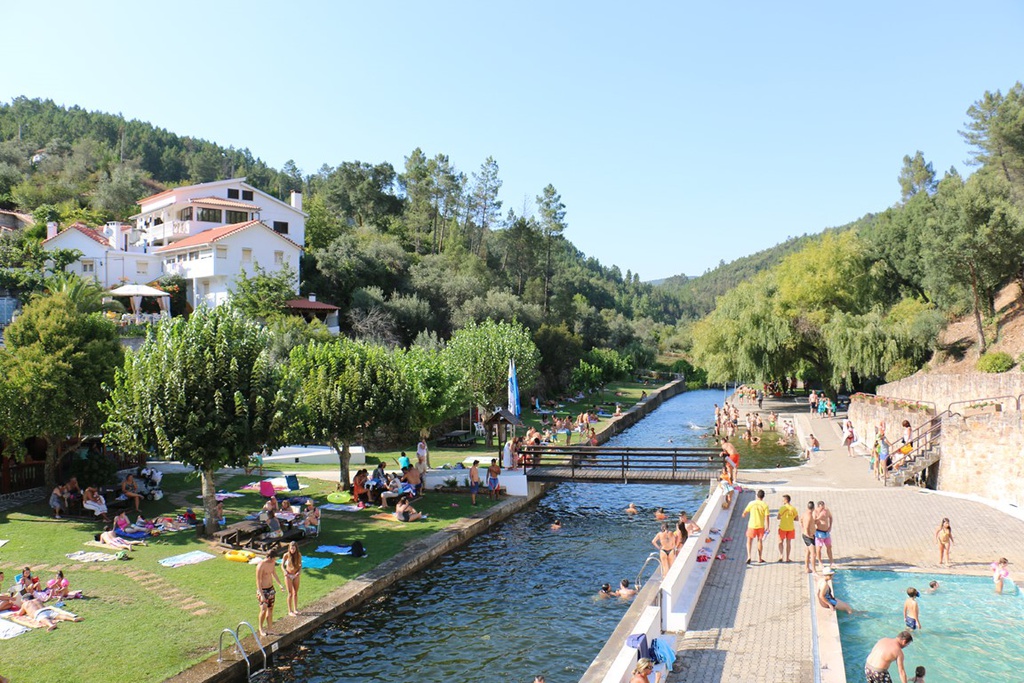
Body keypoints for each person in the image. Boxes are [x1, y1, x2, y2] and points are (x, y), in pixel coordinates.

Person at [256, 548, 285, 638]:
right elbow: (258, 581)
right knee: (263, 609)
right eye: (275, 558)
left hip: (271, 589)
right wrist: (261, 594)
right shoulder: (261, 566)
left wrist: (280, 585)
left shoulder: (272, 563)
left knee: (270, 609)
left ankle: (270, 629)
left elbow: (274, 574)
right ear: (270, 557)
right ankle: (261, 629)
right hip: (263, 590)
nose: (275, 559)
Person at [16, 598, 81, 632]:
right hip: (46, 609)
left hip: (38, 613)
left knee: (44, 619)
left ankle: (51, 625)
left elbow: (20, 613)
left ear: (25, 600)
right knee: (58, 615)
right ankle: (73, 619)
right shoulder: (37, 599)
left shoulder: (25, 604)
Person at [742, 489, 771, 564]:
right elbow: (767, 517)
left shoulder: (751, 503)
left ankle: (749, 556)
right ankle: (759, 558)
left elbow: (745, 513)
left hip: (751, 525)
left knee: (749, 541)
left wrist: (744, 515)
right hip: (760, 526)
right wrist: (768, 527)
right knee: (759, 541)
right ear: (763, 497)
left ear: (757, 495)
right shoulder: (765, 505)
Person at [282, 541, 302, 617]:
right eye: (291, 549)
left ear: (296, 549)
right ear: (289, 548)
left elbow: (300, 566)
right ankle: (289, 611)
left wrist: (299, 572)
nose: (293, 550)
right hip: (288, 575)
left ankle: (295, 609)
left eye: (294, 549)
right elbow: (282, 565)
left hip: (296, 575)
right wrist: (285, 572)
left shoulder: (299, 555)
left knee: (295, 593)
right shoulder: (286, 555)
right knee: (290, 593)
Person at [777, 494, 799, 563]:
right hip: (790, 528)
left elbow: (778, 517)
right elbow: (797, 518)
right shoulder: (793, 509)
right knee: (788, 543)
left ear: (786, 500)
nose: (782, 501)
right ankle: (787, 558)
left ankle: (781, 556)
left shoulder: (782, 508)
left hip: (782, 527)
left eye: (783, 499)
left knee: (780, 542)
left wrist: (783, 517)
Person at [814, 500, 835, 567]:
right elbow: (814, 522)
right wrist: (820, 517)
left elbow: (831, 517)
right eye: (821, 508)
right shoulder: (815, 512)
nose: (823, 509)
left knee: (829, 546)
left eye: (823, 507)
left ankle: (831, 562)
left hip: (826, 532)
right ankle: (820, 562)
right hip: (819, 532)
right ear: (818, 507)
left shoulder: (826, 511)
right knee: (819, 548)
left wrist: (830, 526)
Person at [800, 500, 818, 574]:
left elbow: (800, 520)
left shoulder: (805, 513)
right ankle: (814, 570)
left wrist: (802, 528)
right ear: (813, 508)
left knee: (807, 552)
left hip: (806, 535)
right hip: (808, 537)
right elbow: (807, 527)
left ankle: (807, 568)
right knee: (813, 554)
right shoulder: (809, 516)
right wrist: (809, 535)